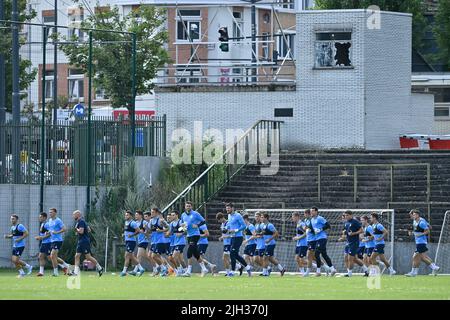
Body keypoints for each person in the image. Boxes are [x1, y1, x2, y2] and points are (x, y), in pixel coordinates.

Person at [406, 209, 440, 277]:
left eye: (414, 214)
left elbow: (428, 231)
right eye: (413, 214)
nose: (413, 216)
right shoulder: (415, 220)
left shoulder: (421, 222)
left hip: (421, 242)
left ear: (418, 215)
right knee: (422, 257)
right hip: (419, 242)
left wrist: (420, 234)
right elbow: (429, 226)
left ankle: (434, 267)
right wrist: (412, 233)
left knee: (416, 257)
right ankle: (415, 272)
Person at [180, 201, 209, 277]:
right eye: (187, 206)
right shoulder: (183, 215)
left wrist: (197, 225)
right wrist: (183, 226)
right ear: (185, 207)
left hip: (195, 234)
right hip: (189, 235)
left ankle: (188, 271)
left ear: (191, 207)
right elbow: (182, 224)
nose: (188, 207)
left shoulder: (195, 214)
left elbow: (203, 221)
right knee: (195, 253)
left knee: (189, 251)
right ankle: (204, 268)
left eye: (189, 206)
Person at [72, 210, 103, 276]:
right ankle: (76, 272)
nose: (73, 216)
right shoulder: (80, 222)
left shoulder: (81, 221)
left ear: (78, 215)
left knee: (88, 257)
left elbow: (81, 231)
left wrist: (76, 230)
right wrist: (78, 231)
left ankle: (99, 268)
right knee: (77, 256)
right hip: (81, 241)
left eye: (74, 215)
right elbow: (89, 229)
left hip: (84, 241)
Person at [309, 207, 336, 276]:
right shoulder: (311, 220)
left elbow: (328, 225)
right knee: (324, 254)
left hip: (322, 238)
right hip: (317, 239)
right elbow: (312, 230)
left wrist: (320, 229)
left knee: (316, 254)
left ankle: (318, 272)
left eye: (312, 211)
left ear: (316, 212)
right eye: (310, 211)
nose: (311, 212)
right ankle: (332, 269)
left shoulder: (320, 218)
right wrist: (309, 230)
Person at [225, 203, 251, 276]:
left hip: (238, 237)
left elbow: (244, 226)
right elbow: (229, 225)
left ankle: (232, 272)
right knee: (235, 255)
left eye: (228, 208)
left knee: (232, 253)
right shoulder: (229, 215)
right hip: (232, 237)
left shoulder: (238, 215)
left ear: (232, 208)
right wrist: (226, 228)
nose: (227, 210)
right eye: (226, 208)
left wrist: (235, 230)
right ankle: (248, 267)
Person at [48, 208, 70, 276]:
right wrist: (48, 233)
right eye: (49, 212)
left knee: (52, 255)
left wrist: (57, 232)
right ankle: (66, 265)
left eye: (51, 212)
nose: (50, 213)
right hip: (52, 240)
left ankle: (56, 272)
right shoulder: (50, 220)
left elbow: (64, 229)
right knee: (53, 257)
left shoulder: (58, 220)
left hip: (58, 240)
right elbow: (51, 230)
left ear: (55, 213)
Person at [342, 210, 365, 277]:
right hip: (348, 242)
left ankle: (350, 274)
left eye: (347, 215)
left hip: (354, 242)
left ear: (351, 215)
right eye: (345, 215)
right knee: (347, 258)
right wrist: (344, 234)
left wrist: (354, 233)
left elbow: (361, 230)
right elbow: (347, 232)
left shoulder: (355, 222)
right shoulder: (346, 223)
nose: (346, 217)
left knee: (350, 258)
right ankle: (366, 270)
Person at [120, 210, 142, 277]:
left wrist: (132, 235)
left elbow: (138, 231)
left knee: (127, 255)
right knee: (130, 256)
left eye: (127, 215)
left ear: (130, 216)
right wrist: (124, 234)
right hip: (127, 241)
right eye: (125, 215)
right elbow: (127, 231)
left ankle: (124, 271)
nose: (126, 216)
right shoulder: (126, 222)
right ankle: (141, 268)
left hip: (131, 241)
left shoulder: (133, 223)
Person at [168, 210, 187, 276]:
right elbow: (170, 232)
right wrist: (165, 233)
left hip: (181, 242)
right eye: (171, 215)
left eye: (173, 215)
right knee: (181, 260)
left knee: (174, 257)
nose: (172, 216)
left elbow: (186, 231)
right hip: (175, 243)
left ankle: (179, 270)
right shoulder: (171, 224)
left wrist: (181, 234)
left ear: (177, 215)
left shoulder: (181, 222)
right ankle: (186, 271)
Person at [217, 212, 233, 276]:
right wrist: (222, 237)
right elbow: (224, 233)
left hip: (229, 243)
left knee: (224, 258)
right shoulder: (222, 224)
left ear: (221, 218)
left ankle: (229, 273)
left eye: (219, 220)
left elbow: (232, 234)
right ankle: (238, 266)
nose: (219, 221)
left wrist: (224, 237)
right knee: (227, 259)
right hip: (225, 243)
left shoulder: (228, 223)